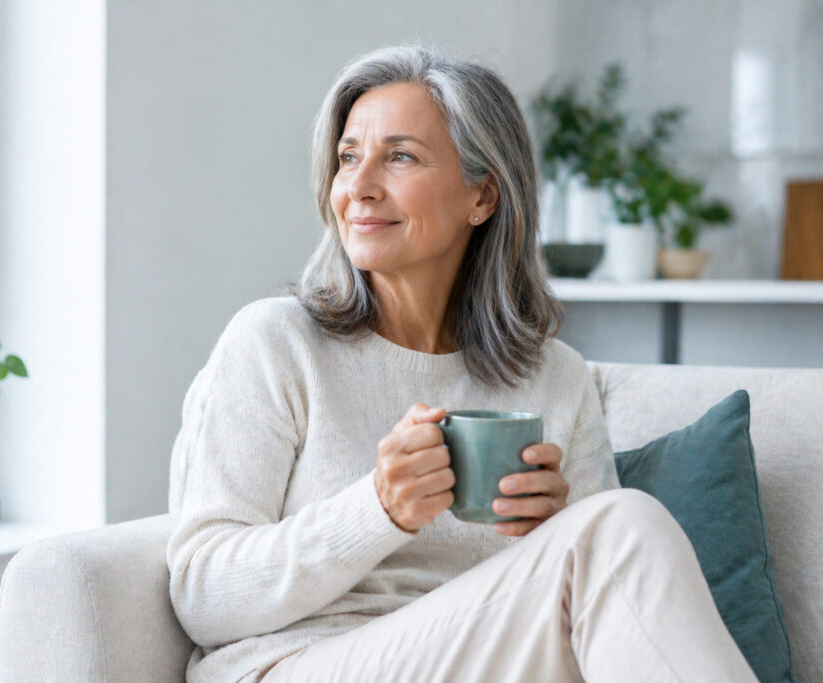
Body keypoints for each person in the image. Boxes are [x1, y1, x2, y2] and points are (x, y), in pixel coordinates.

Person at [166, 45, 755, 682]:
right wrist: (378, 509)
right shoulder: (276, 343)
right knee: (621, 526)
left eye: (399, 156)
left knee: (606, 532)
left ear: (483, 196)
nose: (359, 188)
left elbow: (612, 624)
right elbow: (202, 597)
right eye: (347, 158)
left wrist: (552, 531)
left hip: (485, 663)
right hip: (300, 663)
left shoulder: (553, 377)